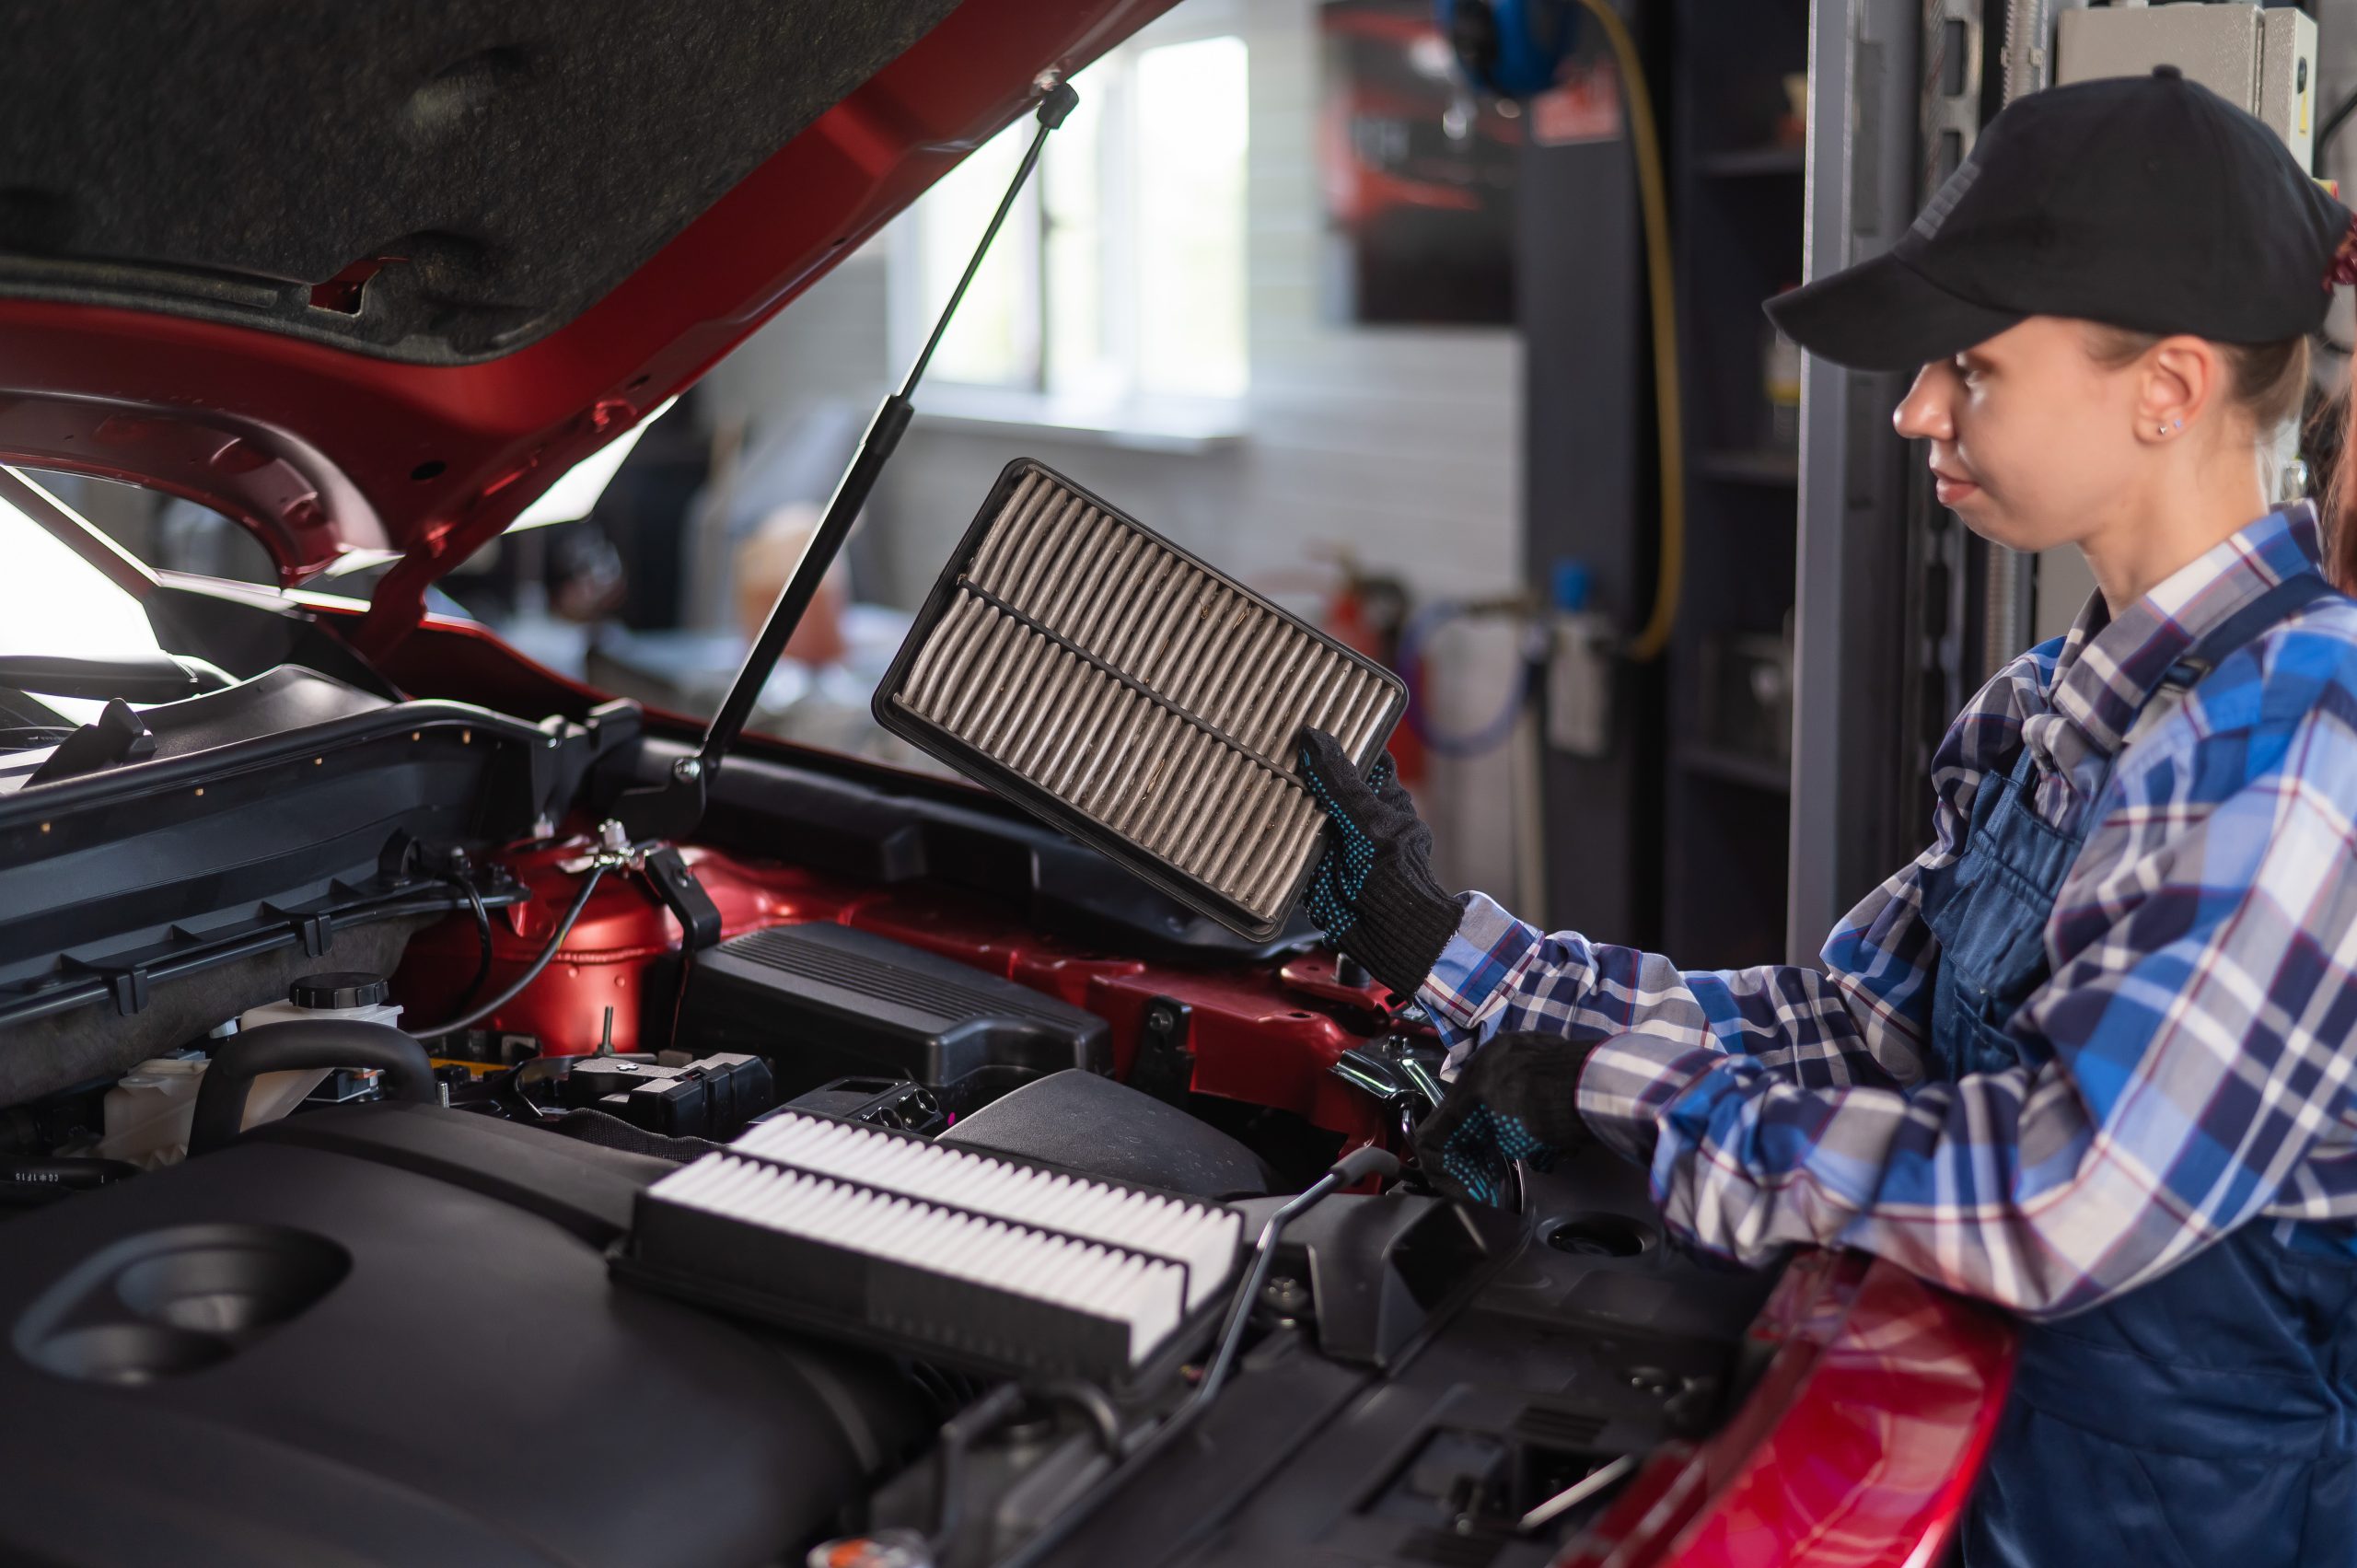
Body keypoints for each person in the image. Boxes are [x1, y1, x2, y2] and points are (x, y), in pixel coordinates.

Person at [1298, 68, 2357, 1568]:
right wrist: (1452, 953)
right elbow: (1859, 1027)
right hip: (1994, 1486)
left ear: (2167, 389)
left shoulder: (2303, 737)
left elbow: (2061, 1191)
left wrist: (1633, 1101)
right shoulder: (2060, 702)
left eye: (1973, 367)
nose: (1918, 404)